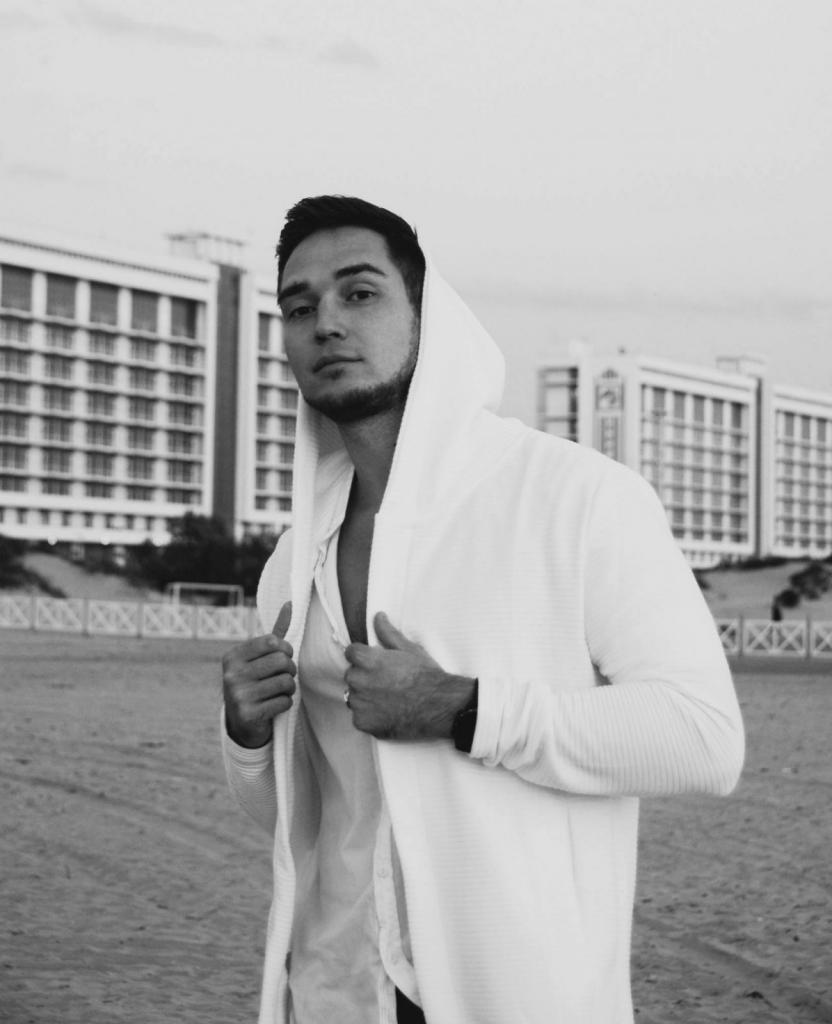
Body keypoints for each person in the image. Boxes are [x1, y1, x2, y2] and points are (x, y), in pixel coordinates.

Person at [221, 195, 745, 1024]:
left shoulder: (574, 498)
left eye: (360, 293)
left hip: (517, 996)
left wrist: (465, 709)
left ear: (427, 314)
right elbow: (309, 820)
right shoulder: (292, 560)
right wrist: (249, 739)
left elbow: (705, 740)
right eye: (298, 306)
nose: (326, 323)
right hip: (336, 991)